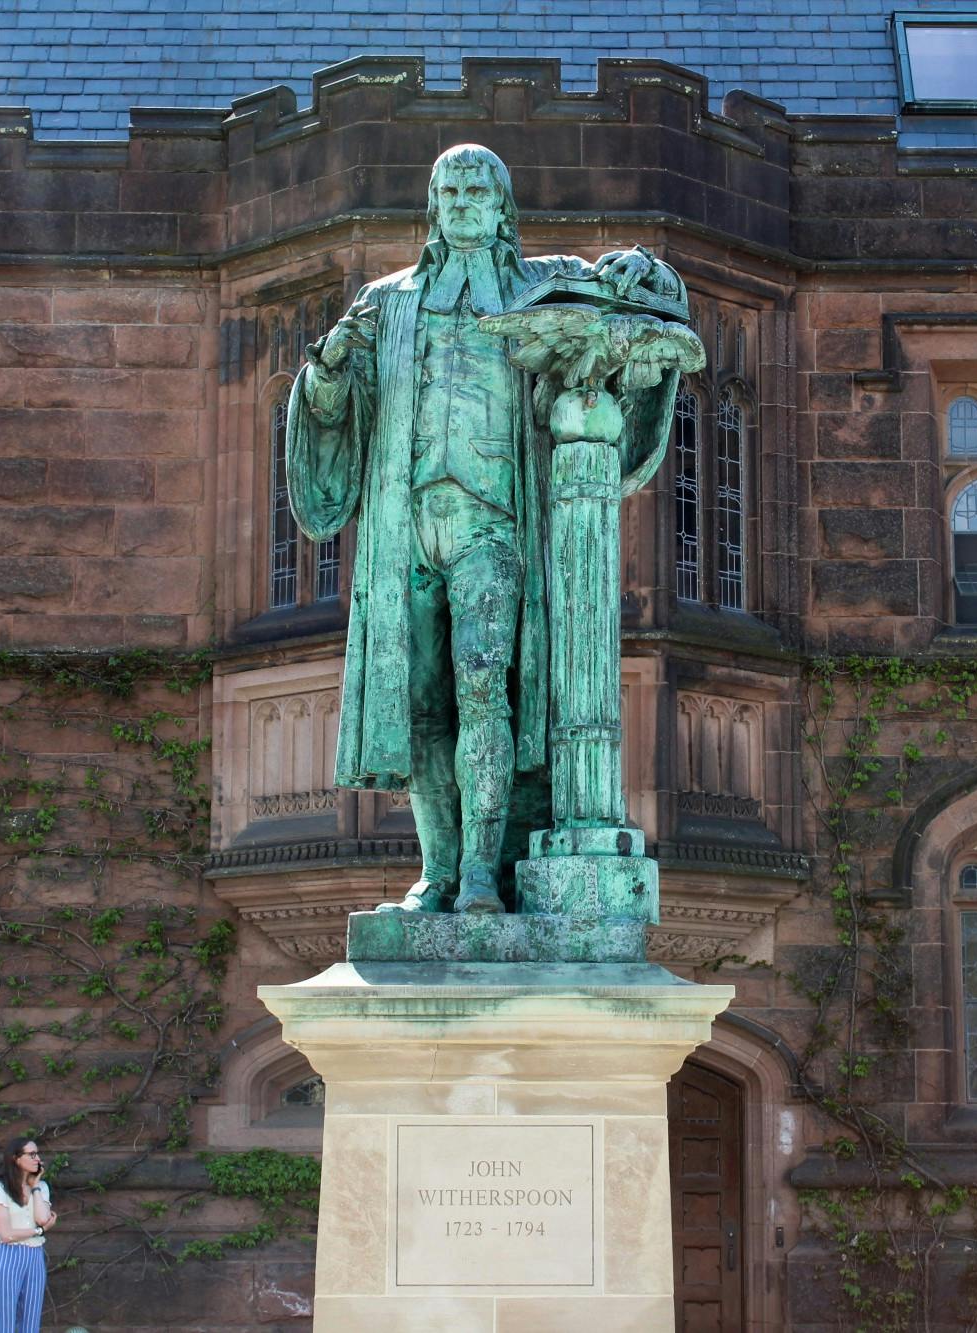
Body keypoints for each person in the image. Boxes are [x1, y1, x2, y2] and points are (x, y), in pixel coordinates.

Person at [286, 143, 686, 915]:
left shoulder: (541, 285)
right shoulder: (387, 301)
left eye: (479, 188)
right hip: (407, 529)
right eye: (451, 188)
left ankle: (479, 873)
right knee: (422, 707)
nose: (465, 200)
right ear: (433, 206)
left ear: (503, 207)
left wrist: (644, 272)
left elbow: (633, 304)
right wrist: (329, 367)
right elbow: (329, 416)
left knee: (483, 693)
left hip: (491, 527)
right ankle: (437, 871)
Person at [0, 1136, 56, 1333]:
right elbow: (6, 1234)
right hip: (9, 1255)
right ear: (16, 1158)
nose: (37, 1159)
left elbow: (43, 1218)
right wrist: (38, 1231)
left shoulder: (41, 1188)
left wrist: (35, 1187)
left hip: (35, 1257)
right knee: (4, 1322)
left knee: (31, 1321)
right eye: (31, 1154)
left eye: (37, 1154)